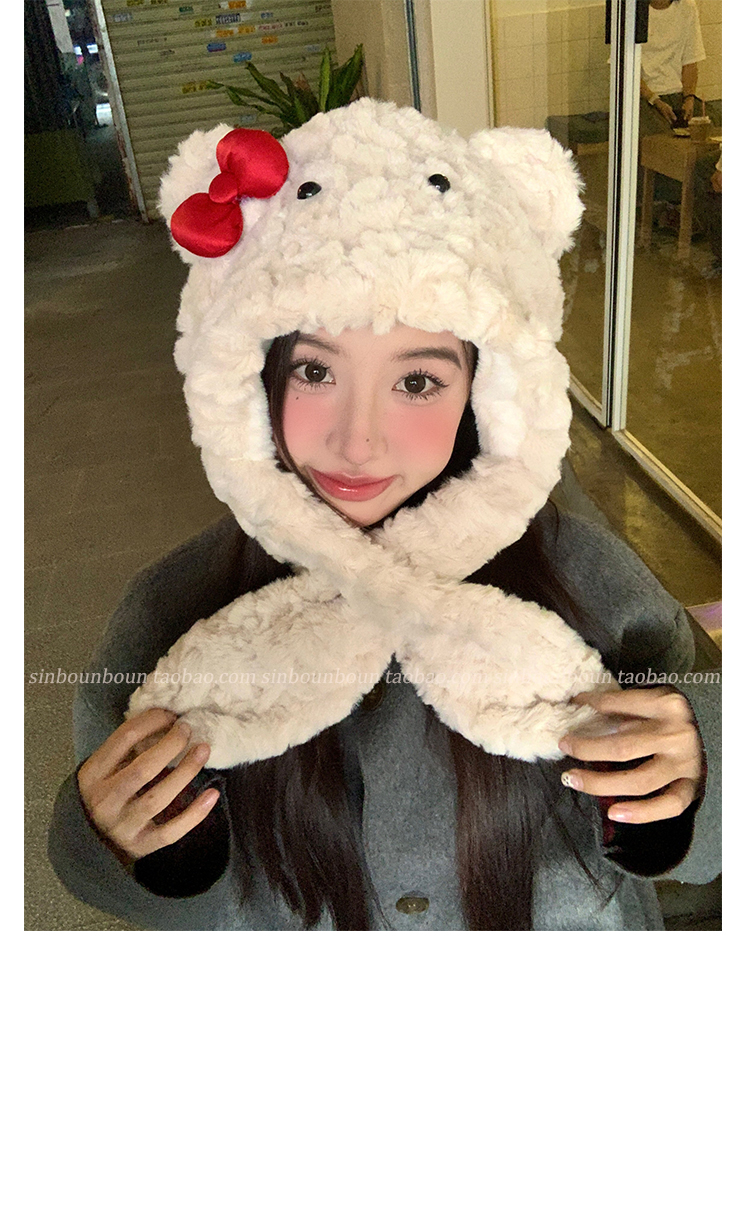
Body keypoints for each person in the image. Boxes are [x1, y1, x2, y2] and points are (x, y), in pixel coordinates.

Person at [48, 99, 720, 931]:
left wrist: (700, 763)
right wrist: (108, 842)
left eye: (417, 382)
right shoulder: (169, 614)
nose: (357, 441)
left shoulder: (595, 581)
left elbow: (703, 835)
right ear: (251, 379)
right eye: (315, 373)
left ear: (487, 391)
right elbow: (165, 898)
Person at [639, 0, 706, 133]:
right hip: (645, 97)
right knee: (661, 136)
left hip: (679, 94)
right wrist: (655, 100)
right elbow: (626, 70)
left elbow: (690, 60)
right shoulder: (632, 9)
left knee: (706, 127)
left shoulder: (687, 7)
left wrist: (689, 98)